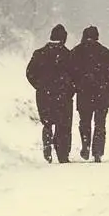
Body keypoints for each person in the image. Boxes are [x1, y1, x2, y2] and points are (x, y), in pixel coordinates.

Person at [25, 24, 74, 164]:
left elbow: (29, 73)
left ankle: (47, 144)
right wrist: (70, 90)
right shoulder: (67, 55)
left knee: (47, 122)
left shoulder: (39, 53)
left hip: (44, 95)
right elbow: (75, 75)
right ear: (63, 39)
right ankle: (63, 155)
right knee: (63, 126)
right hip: (63, 96)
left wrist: (39, 86)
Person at [69, 24, 109, 161]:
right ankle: (97, 152)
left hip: (84, 93)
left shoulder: (76, 52)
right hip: (101, 94)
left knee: (85, 122)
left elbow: (70, 73)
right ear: (97, 37)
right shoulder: (104, 52)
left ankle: (86, 144)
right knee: (100, 124)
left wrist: (75, 87)